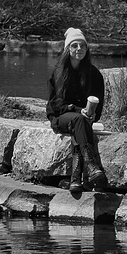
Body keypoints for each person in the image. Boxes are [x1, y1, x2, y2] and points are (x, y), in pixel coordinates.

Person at [46, 27, 107, 192]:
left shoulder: (94, 75)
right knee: (78, 120)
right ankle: (91, 164)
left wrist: (91, 113)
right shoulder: (59, 73)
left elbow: (98, 105)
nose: (79, 49)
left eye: (83, 45)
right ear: (68, 49)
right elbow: (55, 105)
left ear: (87, 49)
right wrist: (76, 108)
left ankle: (75, 181)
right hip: (60, 117)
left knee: (80, 124)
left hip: (82, 119)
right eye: (75, 45)